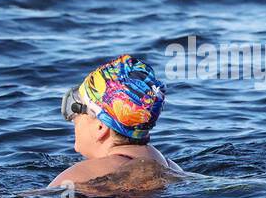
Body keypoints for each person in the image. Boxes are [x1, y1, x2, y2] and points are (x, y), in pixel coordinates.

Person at [49, 54, 182, 190]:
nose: (73, 119)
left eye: (76, 110)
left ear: (100, 127)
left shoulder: (79, 176)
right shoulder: (172, 168)